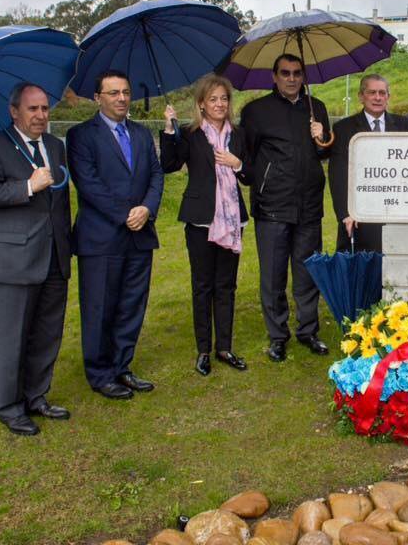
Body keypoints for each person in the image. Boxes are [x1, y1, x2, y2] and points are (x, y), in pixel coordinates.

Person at [0, 83, 72, 435]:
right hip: (15, 260)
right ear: (14, 112)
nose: (41, 116)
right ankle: (10, 407)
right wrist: (28, 186)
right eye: (32, 109)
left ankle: (36, 396)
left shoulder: (56, 147)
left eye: (45, 109)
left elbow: (61, 203)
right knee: (12, 337)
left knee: (47, 333)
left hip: (55, 256)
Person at [67, 69, 164, 399]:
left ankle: (122, 367)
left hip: (139, 235)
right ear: (98, 98)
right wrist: (126, 214)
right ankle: (100, 373)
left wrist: (147, 208)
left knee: (131, 305)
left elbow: (155, 175)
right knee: (100, 307)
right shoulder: (81, 136)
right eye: (113, 93)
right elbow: (89, 184)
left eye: (125, 92)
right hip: (101, 238)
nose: (122, 98)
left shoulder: (139, 133)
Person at [241, 53, 332, 362]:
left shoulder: (315, 107)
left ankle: (308, 330)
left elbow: (323, 154)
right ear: (274, 76)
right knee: (273, 276)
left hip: (309, 207)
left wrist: (322, 139)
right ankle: (278, 335)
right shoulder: (256, 111)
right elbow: (248, 156)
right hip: (272, 207)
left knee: (308, 273)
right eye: (285, 73)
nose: (292, 78)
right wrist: (263, 184)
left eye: (297, 73)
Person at [161, 74, 249, 376]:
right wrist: (168, 128)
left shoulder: (238, 134)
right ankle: (203, 350)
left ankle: (224, 347)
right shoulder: (190, 134)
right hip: (201, 219)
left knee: (226, 285)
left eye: (224, 98)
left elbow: (248, 175)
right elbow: (169, 164)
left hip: (233, 219)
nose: (220, 104)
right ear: (201, 103)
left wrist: (237, 163)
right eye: (213, 99)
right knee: (202, 286)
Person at [328, 73, 408, 253]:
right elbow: (338, 175)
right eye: (372, 92)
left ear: (388, 96)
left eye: (382, 93)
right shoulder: (343, 128)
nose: (377, 97)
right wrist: (345, 214)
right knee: (361, 269)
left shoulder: (404, 125)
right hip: (359, 214)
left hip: (395, 210)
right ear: (361, 96)